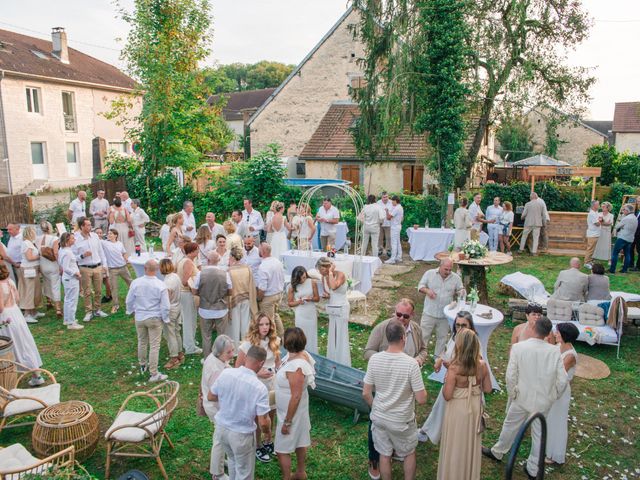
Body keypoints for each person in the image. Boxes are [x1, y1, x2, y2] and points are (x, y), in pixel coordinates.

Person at [483, 318, 568, 479]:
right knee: (538, 434)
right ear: (548, 333)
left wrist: (513, 393)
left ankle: (498, 451)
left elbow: (510, 376)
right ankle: (533, 468)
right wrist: (553, 395)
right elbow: (562, 380)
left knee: (510, 425)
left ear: (534, 328)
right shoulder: (554, 351)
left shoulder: (519, 348)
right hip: (543, 401)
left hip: (521, 397)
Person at [363, 299, 427, 479]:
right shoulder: (382, 328)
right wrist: (389, 363)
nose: (400, 318)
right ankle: (373, 461)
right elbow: (368, 351)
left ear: (411, 315)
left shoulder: (416, 329)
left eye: (405, 316)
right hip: (384, 385)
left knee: (386, 435)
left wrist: (419, 360)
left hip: (405, 389)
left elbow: (423, 350)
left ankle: (395, 450)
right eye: (398, 314)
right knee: (377, 434)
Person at [207, 345, 271, 480]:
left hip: (222, 429)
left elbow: (211, 396)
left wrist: (228, 398)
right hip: (241, 434)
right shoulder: (260, 388)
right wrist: (267, 432)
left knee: (232, 460)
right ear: (261, 363)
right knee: (244, 473)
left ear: (246, 357)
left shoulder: (227, 373)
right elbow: (263, 422)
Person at [437, 329, 492, 480]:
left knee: (455, 445)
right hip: (474, 407)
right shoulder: (482, 365)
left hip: (458, 409)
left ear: (459, 346)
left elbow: (447, 396)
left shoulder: (454, 369)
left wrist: (447, 377)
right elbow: (487, 388)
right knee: (470, 444)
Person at [418, 311, 476, 444]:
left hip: (461, 386)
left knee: (442, 408)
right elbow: (448, 350)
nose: (460, 328)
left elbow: (470, 366)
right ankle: (429, 430)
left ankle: (430, 432)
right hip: (450, 379)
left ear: (471, 326)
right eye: (457, 325)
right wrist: (440, 359)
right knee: (440, 407)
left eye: (464, 325)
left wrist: (450, 365)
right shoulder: (456, 336)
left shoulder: (471, 342)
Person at [236, 314, 281, 464]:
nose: (265, 327)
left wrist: (278, 372)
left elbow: (278, 362)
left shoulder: (274, 341)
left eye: (267, 324)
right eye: (261, 324)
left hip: (272, 384)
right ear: (256, 326)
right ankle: (257, 445)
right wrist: (257, 371)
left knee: (271, 413)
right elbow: (238, 367)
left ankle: (268, 440)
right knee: (257, 416)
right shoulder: (247, 344)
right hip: (255, 383)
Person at [275, 327, 316, 480]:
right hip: (296, 409)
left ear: (286, 342)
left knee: (281, 448)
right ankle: (300, 472)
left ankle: (288, 477)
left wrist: (287, 421)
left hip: (291, 412)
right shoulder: (299, 355)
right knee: (300, 438)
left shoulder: (296, 367)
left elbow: (296, 395)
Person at [125, 258, 170, 383]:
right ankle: (154, 373)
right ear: (156, 270)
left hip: (140, 317)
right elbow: (165, 306)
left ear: (145, 269)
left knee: (142, 341)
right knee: (154, 345)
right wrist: (165, 318)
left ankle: (143, 364)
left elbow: (129, 300)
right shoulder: (160, 284)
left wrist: (130, 310)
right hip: (154, 317)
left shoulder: (136, 282)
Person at [0, 263, 44, 380]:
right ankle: (36, 374)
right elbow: (18, 299)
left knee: (10, 345)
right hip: (16, 313)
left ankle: (10, 375)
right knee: (24, 342)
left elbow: (0, 308)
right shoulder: (10, 281)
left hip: (5, 317)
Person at [202, 334, 236, 480]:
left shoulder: (215, 358)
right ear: (219, 352)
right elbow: (216, 395)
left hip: (216, 405)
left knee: (221, 437)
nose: (232, 354)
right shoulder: (216, 369)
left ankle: (221, 461)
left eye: (232, 350)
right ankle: (217, 473)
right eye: (228, 352)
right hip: (216, 408)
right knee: (220, 439)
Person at [545, 322, 579, 465]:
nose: (555, 333)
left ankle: (555, 454)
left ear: (564, 335)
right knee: (548, 418)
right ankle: (546, 446)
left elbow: (560, 373)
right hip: (551, 386)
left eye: (557, 332)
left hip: (562, 390)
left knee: (557, 421)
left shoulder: (570, 355)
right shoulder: (559, 346)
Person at [417, 258, 464, 357]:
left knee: (442, 337)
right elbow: (420, 286)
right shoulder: (429, 273)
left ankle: (438, 358)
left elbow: (461, 289)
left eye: (450, 270)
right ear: (440, 266)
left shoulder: (456, 278)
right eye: (446, 269)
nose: (448, 272)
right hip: (429, 312)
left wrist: (461, 292)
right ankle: (420, 356)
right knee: (423, 336)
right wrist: (427, 291)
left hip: (445, 314)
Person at [194, 251, 232, 359]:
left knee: (206, 336)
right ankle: (222, 357)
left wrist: (204, 295)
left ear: (207, 260)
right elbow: (230, 291)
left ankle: (207, 358)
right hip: (220, 308)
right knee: (222, 336)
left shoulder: (200, 273)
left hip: (205, 308)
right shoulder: (225, 274)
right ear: (219, 260)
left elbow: (195, 291)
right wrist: (221, 295)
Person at [317, 257, 351, 366]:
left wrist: (331, 272)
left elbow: (334, 286)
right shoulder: (323, 278)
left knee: (340, 333)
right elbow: (331, 292)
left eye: (320, 269)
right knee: (333, 332)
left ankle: (342, 361)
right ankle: (333, 359)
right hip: (332, 308)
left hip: (341, 308)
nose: (319, 272)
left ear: (327, 267)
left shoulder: (340, 274)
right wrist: (327, 296)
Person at [73, 217, 109, 322]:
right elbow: (73, 256)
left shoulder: (94, 236)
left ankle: (98, 309)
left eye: (90, 225)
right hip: (85, 268)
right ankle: (88, 311)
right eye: (88, 225)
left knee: (98, 290)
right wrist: (83, 256)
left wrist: (104, 265)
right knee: (87, 291)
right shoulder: (76, 239)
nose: (90, 227)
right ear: (82, 226)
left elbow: (101, 251)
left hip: (97, 266)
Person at [228, 245, 258, 345]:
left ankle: (235, 349)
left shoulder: (229, 271)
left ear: (232, 257)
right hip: (246, 298)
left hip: (234, 300)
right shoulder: (248, 269)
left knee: (234, 326)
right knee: (246, 324)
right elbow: (252, 285)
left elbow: (229, 288)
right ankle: (246, 346)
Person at [287, 266, 320, 354]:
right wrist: (298, 302)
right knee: (300, 334)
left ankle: (313, 354)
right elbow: (290, 303)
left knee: (311, 334)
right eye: (300, 279)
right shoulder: (292, 286)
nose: (303, 280)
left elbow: (317, 298)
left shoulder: (312, 282)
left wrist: (311, 299)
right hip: (300, 313)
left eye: (304, 277)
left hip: (311, 312)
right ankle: (300, 354)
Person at [177, 242, 201, 355]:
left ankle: (190, 341)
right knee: (189, 320)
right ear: (192, 251)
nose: (198, 252)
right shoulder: (188, 263)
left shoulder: (184, 260)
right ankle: (190, 347)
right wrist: (195, 289)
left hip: (185, 294)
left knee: (189, 319)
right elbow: (185, 281)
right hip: (187, 294)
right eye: (197, 250)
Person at [159, 259, 184, 370]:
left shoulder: (167, 282)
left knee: (170, 334)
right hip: (178, 306)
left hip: (171, 309)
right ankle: (180, 353)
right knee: (176, 331)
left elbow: (166, 300)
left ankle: (174, 358)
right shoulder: (175, 276)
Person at [257, 243, 285, 336]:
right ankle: (282, 337)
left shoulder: (263, 266)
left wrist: (259, 299)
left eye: (259, 249)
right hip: (278, 294)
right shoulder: (277, 261)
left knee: (268, 321)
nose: (258, 251)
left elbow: (262, 287)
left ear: (263, 252)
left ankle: (272, 342)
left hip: (269, 297)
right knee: (275, 316)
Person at [101, 229, 132, 314]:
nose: (109, 235)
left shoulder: (120, 244)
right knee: (114, 288)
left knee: (131, 283)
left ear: (116, 235)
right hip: (112, 269)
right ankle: (115, 305)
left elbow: (124, 253)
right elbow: (97, 238)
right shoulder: (105, 243)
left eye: (111, 234)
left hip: (123, 267)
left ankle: (134, 301)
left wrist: (126, 259)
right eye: (108, 234)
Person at [58, 233, 84, 330]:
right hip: (71, 278)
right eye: (72, 238)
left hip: (68, 278)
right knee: (72, 300)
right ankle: (71, 322)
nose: (74, 239)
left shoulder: (64, 250)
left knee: (68, 299)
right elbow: (66, 267)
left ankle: (67, 319)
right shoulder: (67, 252)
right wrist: (76, 273)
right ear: (67, 240)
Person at [37, 221, 61, 318]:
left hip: (42, 264)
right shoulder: (54, 238)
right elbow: (55, 252)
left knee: (46, 284)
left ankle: (49, 302)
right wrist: (60, 264)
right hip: (52, 264)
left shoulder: (37, 239)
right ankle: (58, 309)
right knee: (55, 285)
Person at [18, 226, 42, 323]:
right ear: (30, 233)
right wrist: (39, 255)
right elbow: (29, 257)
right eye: (34, 232)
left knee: (35, 290)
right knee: (29, 290)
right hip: (29, 269)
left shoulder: (30, 243)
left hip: (33, 268)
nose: (35, 233)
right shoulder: (26, 244)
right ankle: (27, 314)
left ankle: (33, 311)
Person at [610, 203, 638, 274]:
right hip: (630, 239)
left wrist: (621, 226)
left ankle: (612, 270)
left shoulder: (626, 218)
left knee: (615, 253)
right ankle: (624, 270)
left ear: (628, 210)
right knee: (627, 254)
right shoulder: (635, 218)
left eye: (624, 209)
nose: (623, 211)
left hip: (622, 238)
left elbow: (617, 226)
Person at [384, 195, 404, 264]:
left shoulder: (397, 208)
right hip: (398, 226)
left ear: (396, 201)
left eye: (393, 201)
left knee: (394, 243)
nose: (392, 202)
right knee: (398, 242)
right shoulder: (400, 207)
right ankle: (399, 257)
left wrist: (386, 211)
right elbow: (402, 219)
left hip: (395, 227)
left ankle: (392, 259)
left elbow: (389, 217)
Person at [584, 200, 601, 269]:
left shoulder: (596, 212)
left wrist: (600, 220)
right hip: (592, 234)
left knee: (592, 249)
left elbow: (598, 220)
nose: (599, 206)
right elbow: (597, 224)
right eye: (598, 204)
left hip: (596, 233)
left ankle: (590, 261)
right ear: (594, 206)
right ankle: (586, 263)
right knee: (590, 249)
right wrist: (601, 220)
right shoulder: (592, 214)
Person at [377, 192, 392, 257]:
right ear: (381, 197)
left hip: (389, 223)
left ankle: (388, 250)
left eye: (386, 197)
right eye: (384, 197)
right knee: (380, 237)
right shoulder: (378, 203)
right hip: (380, 223)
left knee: (388, 237)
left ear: (388, 196)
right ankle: (380, 249)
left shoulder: (391, 202)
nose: (385, 198)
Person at [631, 196, 640, 271]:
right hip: (634, 233)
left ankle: (638, 266)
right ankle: (630, 264)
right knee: (630, 248)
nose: (638, 203)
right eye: (637, 201)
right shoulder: (637, 211)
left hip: (639, 234)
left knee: (639, 250)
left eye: (639, 201)